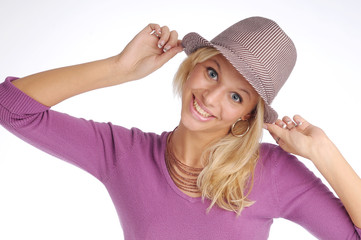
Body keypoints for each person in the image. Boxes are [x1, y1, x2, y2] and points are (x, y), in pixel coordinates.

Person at [0, 16, 360, 239]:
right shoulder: (124, 154)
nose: (211, 97)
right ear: (193, 67)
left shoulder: (273, 172)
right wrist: (118, 69)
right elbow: (11, 108)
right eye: (212, 72)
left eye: (236, 97)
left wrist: (323, 152)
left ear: (249, 115)